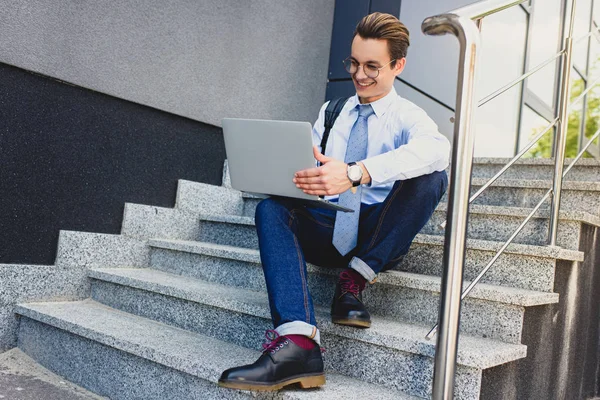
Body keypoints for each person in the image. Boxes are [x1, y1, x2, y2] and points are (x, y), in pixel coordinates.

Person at [219, 12, 450, 391]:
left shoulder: (408, 116)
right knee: (271, 209)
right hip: (329, 224)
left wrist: (357, 172)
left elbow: (437, 151)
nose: (360, 75)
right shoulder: (333, 112)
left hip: (377, 233)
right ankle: (298, 343)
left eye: (373, 67)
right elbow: (311, 165)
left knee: (431, 178)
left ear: (398, 65)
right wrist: (303, 175)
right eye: (354, 63)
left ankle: (353, 279)